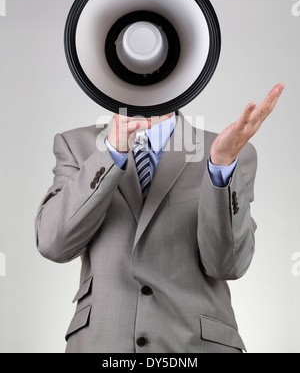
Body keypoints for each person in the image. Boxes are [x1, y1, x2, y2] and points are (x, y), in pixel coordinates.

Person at [35, 83, 284, 353]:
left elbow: (227, 265)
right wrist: (112, 151)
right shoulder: (76, 145)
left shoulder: (228, 150)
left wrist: (221, 166)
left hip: (195, 346)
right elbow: (53, 243)